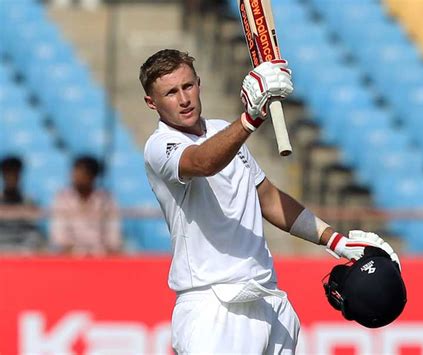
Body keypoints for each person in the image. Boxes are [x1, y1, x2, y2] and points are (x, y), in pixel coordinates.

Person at [140, 49, 400, 354]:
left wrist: (337, 242)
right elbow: (203, 162)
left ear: (199, 83)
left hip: (267, 298)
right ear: (151, 103)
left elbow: (268, 198)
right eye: (170, 93)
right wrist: (251, 117)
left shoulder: (223, 130)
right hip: (214, 306)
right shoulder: (160, 146)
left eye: (188, 86)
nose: (184, 99)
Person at [51, 155, 121, 256]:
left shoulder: (106, 200)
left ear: (93, 176)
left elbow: (113, 235)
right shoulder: (62, 199)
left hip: (102, 257)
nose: (77, 177)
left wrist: (103, 253)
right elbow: (59, 236)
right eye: (75, 172)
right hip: (70, 257)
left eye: (82, 174)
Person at [0, 155, 44, 253]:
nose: (11, 177)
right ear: (3, 175)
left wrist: (25, 251)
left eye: (15, 173)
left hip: (24, 254)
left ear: (20, 174)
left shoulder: (30, 202)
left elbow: (33, 232)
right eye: (8, 173)